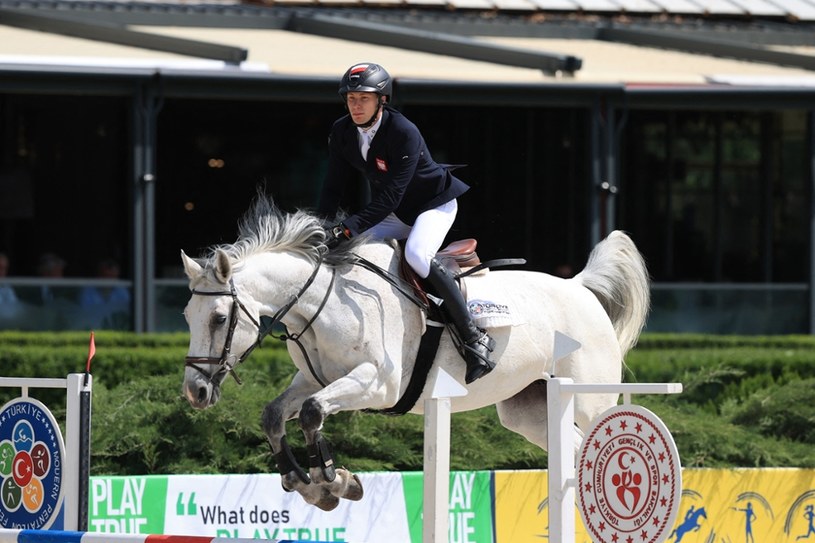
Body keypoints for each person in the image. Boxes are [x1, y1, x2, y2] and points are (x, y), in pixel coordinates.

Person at [318, 62, 494, 384]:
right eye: (351, 98)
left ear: (381, 100)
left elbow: (389, 199)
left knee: (415, 254)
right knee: (354, 252)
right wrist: (322, 227)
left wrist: (344, 229)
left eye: (363, 99)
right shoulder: (342, 131)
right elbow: (333, 186)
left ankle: (473, 336)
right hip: (395, 211)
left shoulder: (403, 131)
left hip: (432, 206)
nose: (355, 106)